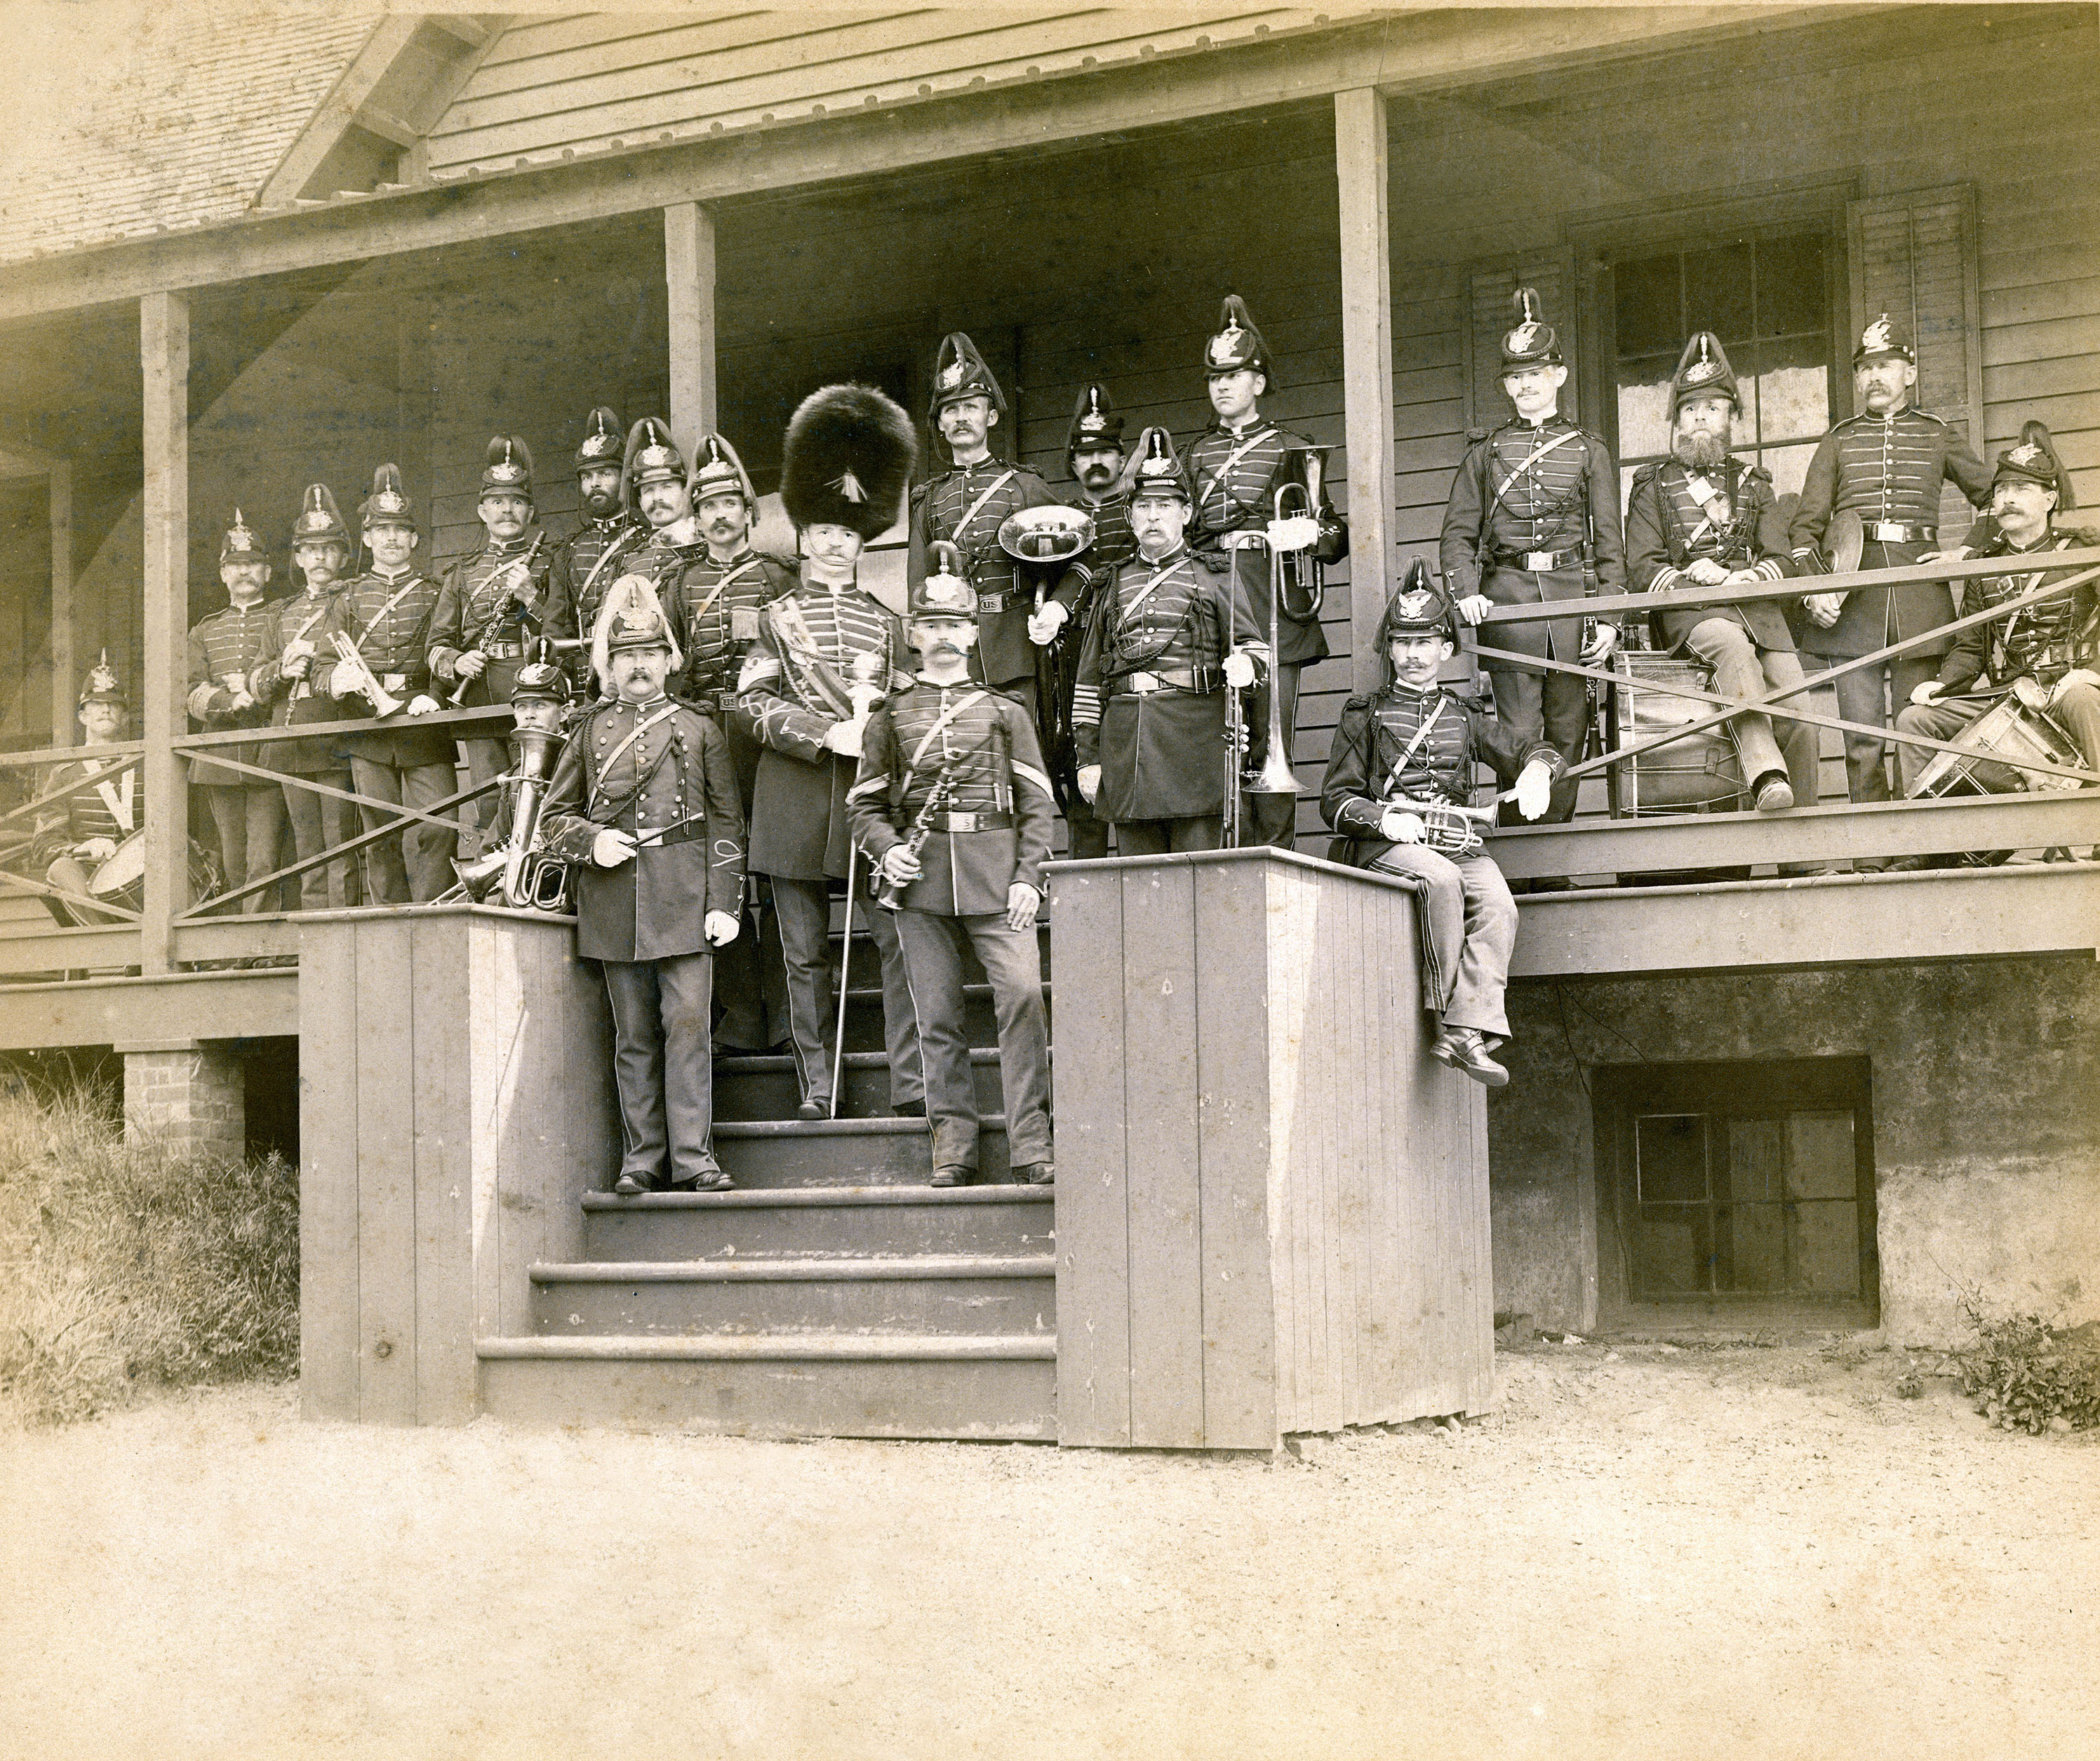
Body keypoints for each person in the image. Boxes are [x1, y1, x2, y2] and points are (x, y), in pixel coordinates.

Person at [738, 384, 924, 1120]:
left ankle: (909, 1080)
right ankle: (818, 1083)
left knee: (895, 936)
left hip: (867, 799)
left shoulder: (887, 622)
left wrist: (873, 731)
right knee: (803, 954)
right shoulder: (773, 618)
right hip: (793, 793)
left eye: (848, 532)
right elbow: (749, 703)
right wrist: (822, 733)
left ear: (861, 537)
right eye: (822, 530)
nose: (835, 542)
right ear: (805, 534)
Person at [850, 549, 1055, 1188]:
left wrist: (1029, 877)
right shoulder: (890, 719)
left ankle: (1031, 1144)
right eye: (930, 624)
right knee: (935, 1016)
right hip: (921, 886)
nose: (942, 635)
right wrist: (887, 849)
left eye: (953, 624)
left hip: (999, 879)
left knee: (1022, 998)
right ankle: (954, 1144)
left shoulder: (1004, 712)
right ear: (913, 635)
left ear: (972, 632)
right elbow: (864, 807)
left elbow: (1037, 805)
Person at [540, 577, 745, 1194]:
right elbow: (552, 819)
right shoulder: (588, 729)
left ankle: (694, 1158)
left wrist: (725, 900)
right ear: (611, 663)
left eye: (650, 654)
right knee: (633, 1038)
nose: (638, 666)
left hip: (684, 893)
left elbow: (727, 818)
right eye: (627, 655)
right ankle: (641, 1160)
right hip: (614, 896)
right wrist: (591, 842)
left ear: (668, 661)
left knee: (687, 1026)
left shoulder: (699, 727)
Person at [1320, 567, 1559, 1088]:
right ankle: (1449, 1021)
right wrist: (1385, 818)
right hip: (1384, 845)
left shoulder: (1463, 715)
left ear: (1446, 648)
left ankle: (1463, 1030)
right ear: (1390, 649)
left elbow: (1528, 750)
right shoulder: (1367, 714)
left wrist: (1539, 771)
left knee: (1499, 905)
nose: (1413, 655)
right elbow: (1335, 802)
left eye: (1425, 642)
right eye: (1402, 643)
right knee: (1441, 881)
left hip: (1456, 841)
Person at [1788, 313, 1993, 817]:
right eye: (1866, 368)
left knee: (1913, 729)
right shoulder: (1837, 439)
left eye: (1886, 365)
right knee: (1861, 741)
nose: (1875, 376)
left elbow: (1991, 500)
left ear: (1909, 373)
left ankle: (1915, 847)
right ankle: (1871, 855)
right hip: (1852, 599)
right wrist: (1816, 590)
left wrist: (1964, 552)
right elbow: (1804, 530)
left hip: (1918, 597)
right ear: (1857, 379)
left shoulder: (1937, 435)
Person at [1440, 288, 1622, 832]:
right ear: (1505, 385)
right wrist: (1466, 591)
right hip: (1508, 603)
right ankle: (1522, 852)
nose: (1525, 386)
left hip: (1571, 603)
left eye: (1535, 374)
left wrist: (1610, 615)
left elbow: (1609, 543)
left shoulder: (1589, 450)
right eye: (1515, 377)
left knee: (1569, 731)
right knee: (1518, 733)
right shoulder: (1485, 453)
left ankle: (1555, 854)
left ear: (1558, 377)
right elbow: (1457, 535)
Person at [1624, 333, 1819, 816]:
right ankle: (1766, 775)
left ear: (1730, 417)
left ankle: (1808, 855)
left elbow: (1781, 558)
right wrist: (1699, 578)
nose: (1700, 419)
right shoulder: (1652, 486)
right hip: (1693, 616)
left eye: (1711, 408)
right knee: (1732, 650)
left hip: (1757, 612)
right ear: (1676, 422)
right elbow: (1643, 566)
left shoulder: (1754, 484)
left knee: (1798, 709)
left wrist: (1744, 579)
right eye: (1689, 410)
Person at [646, 429, 795, 1054]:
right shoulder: (678, 585)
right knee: (725, 870)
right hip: (707, 739)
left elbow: (800, 661)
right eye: (706, 505)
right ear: (696, 514)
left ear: (746, 510)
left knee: (777, 871)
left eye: (728, 502)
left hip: (766, 737)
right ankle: (738, 1012)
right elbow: (669, 667)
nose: (718, 515)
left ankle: (788, 1013)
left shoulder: (776, 575)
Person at [1891, 422, 2099, 857]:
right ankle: (1923, 847)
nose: (2007, 498)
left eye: (2023, 489)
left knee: (2084, 699)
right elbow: (1970, 646)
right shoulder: (1984, 565)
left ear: (2049, 499)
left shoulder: (2081, 553)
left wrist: (2090, 673)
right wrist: (1942, 685)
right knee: (1915, 720)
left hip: (2067, 687)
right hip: (2008, 693)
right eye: (2002, 489)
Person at [1186, 296, 1348, 849]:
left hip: (1275, 603)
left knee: (1270, 740)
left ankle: (1275, 851)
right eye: (1214, 377)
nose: (1222, 387)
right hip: (1210, 601)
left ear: (1258, 381)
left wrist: (1307, 533)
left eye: (1233, 375)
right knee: (1212, 740)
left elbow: (1334, 536)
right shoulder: (1193, 457)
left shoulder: (1292, 449)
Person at [1071, 426, 1266, 853]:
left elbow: (1257, 652)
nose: (1153, 516)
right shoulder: (1112, 582)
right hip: (1130, 750)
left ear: (1187, 513)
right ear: (1129, 517)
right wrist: (1089, 760)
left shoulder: (1216, 576)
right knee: (1140, 886)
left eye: (1165, 505)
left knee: (1201, 882)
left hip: (1198, 745)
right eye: (1143, 506)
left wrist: (1247, 665)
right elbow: (1087, 684)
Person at [312, 463, 456, 903]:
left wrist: (434, 697)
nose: (392, 538)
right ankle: (390, 922)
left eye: (400, 529)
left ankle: (434, 916)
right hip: (367, 726)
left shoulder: (436, 590)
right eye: (382, 530)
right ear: (369, 539)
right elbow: (320, 667)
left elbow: (449, 647)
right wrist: (338, 678)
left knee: (439, 826)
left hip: (422, 718)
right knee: (379, 834)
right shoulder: (348, 597)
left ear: (413, 539)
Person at [907, 332, 1067, 703]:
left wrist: (1058, 608)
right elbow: (918, 589)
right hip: (952, 658)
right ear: (941, 425)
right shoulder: (929, 500)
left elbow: (1079, 561)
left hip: (1015, 652)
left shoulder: (1026, 487)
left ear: (991, 416)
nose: (961, 417)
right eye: (950, 409)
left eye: (971, 407)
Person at [428, 436, 554, 854]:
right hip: (480, 695)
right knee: (487, 801)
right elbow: (438, 643)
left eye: (516, 502)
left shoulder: (552, 562)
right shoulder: (462, 573)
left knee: (534, 795)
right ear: (483, 511)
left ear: (530, 511)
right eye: (497, 502)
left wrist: (532, 596)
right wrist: (457, 661)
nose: (506, 510)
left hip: (533, 688)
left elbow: (563, 629)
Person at [1029, 383, 1134, 859]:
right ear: (1072, 463)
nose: (1096, 461)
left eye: (1105, 452)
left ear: (1120, 457)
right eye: (1085, 453)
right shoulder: (1057, 518)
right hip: (1070, 653)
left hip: (1128, 649)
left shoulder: (1140, 511)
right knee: (1077, 773)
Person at [251, 483, 361, 910]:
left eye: (329, 549)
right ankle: (314, 935)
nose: (320, 558)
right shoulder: (281, 612)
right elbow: (257, 679)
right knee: (307, 844)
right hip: (290, 735)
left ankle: (341, 932)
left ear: (344, 556)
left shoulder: (353, 601)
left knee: (340, 843)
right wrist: (282, 670)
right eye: (310, 550)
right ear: (298, 558)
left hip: (335, 731)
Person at [186, 509, 286, 911]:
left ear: (267, 572)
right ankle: (241, 943)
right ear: (223, 574)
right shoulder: (205, 629)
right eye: (235, 565)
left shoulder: (282, 616)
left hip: (270, 747)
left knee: (266, 858)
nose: (244, 572)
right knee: (232, 858)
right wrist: (227, 702)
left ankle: (261, 946)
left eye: (252, 564)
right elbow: (189, 691)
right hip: (223, 755)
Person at [543, 406, 648, 701]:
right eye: (588, 476)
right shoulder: (569, 549)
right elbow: (555, 622)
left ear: (624, 478)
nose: (596, 484)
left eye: (605, 473)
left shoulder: (647, 538)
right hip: (582, 676)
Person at [32, 654, 140, 926]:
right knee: (60, 869)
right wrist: (81, 848)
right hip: (90, 872)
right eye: (97, 704)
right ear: (83, 716)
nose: (106, 710)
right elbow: (44, 844)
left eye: (114, 705)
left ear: (125, 716)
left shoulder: (146, 766)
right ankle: (109, 946)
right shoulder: (64, 775)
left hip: (143, 871)